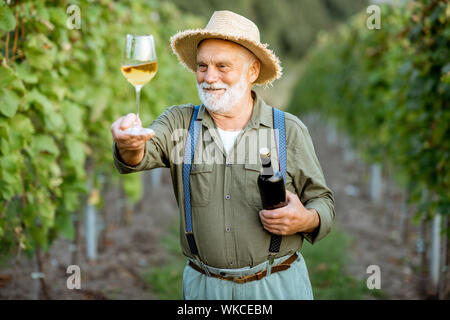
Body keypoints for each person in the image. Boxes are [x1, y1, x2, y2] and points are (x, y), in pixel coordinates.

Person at [110, 10, 335, 300]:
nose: (209, 77)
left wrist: (307, 219)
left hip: (275, 285)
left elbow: (323, 200)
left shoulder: (287, 130)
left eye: (222, 66)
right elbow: (139, 155)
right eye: (202, 66)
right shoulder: (180, 123)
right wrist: (130, 145)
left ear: (252, 71)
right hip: (205, 288)